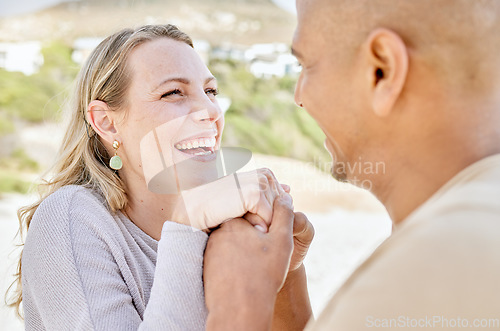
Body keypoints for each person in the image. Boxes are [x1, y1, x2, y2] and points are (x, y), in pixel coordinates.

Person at [203, 0, 500, 329]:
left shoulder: (431, 268)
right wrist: (284, 279)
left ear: (381, 71)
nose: (299, 96)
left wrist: (238, 304)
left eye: (306, 65)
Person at [7, 24, 288, 330]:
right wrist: (185, 224)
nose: (210, 110)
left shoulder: (226, 233)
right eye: (173, 93)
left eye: (210, 91)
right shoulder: (70, 217)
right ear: (107, 123)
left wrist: (288, 268)